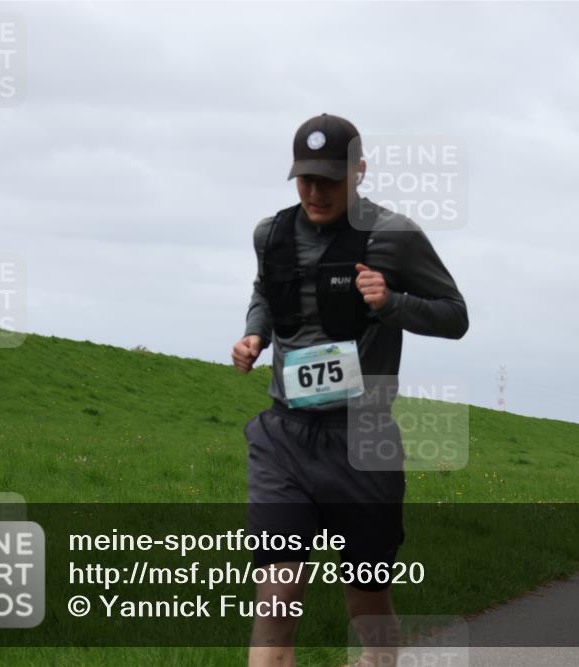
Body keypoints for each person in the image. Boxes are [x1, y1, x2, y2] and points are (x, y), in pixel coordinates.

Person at [232, 113, 469, 667]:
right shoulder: (271, 233)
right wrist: (254, 334)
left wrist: (392, 304)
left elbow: (455, 317)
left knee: (367, 604)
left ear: (358, 171)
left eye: (329, 180)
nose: (315, 192)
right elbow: (266, 291)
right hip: (284, 436)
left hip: (364, 440)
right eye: (304, 179)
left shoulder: (395, 236)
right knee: (275, 602)